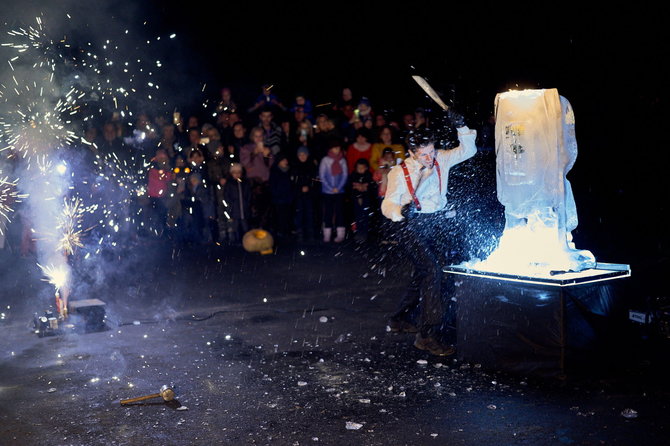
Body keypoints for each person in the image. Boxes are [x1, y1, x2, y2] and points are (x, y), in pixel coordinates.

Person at [381, 112, 477, 356]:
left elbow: (468, 151)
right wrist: (400, 211)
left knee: (428, 270)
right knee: (432, 271)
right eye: (423, 154)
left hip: (434, 222)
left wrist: (462, 126)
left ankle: (400, 318)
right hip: (408, 226)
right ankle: (427, 335)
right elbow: (387, 204)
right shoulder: (399, 172)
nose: (429, 157)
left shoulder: (441, 160)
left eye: (432, 151)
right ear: (412, 153)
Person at [319, 138, 348, 243]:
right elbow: (322, 176)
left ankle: (340, 234)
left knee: (340, 212)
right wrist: (331, 188)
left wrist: (338, 188)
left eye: (338, 148)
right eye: (335, 148)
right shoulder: (325, 160)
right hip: (328, 191)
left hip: (339, 191)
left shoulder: (342, 160)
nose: (337, 150)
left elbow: (344, 175)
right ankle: (327, 234)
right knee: (328, 212)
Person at [291, 146, 318, 241]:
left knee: (310, 213)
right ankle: (300, 233)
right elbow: (292, 183)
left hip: (310, 195)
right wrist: (300, 189)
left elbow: (315, 180)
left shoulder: (312, 166)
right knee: (299, 213)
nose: (302, 157)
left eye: (304, 154)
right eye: (300, 155)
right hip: (299, 195)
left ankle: (310, 233)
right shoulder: (294, 167)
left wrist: (309, 188)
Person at [348, 158, 375, 243]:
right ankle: (358, 233)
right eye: (358, 168)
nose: (360, 170)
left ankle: (365, 233)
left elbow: (369, 186)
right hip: (356, 199)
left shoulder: (368, 175)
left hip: (365, 199)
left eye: (362, 168)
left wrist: (362, 186)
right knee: (358, 216)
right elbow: (351, 185)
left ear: (366, 168)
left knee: (365, 216)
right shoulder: (353, 174)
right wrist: (359, 186)